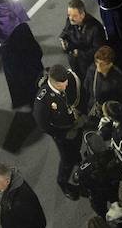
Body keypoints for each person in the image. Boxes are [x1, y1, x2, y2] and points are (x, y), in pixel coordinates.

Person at [33, 64, 86, 199]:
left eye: (65, 82)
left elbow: (79, 95)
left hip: (75, 124)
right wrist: (62, 135)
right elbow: (43, 125)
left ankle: (77, 158)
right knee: (66, 160)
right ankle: (62, 182)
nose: (65, 86)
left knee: (77, 145)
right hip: (62, 133)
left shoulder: (69, 79)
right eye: (61, 84)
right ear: (52, 82)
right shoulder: (43, 99)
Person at [61, 0, 107, 80]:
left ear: (82, 15)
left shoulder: (95, 28)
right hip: (75, 62)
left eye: (74, 16)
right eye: (69, 15)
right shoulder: (70, 21)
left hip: (89, 65)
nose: (71, 18)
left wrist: (79, 54)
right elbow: (66, 32)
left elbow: (98, 50)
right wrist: (63, 39)